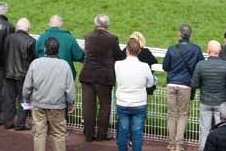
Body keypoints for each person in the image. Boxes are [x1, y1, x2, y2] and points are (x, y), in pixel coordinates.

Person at [23, 37, 76, 151]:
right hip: (57, 106)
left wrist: (26, 99)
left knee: (39, 134)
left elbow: (27, 86)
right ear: (58, 50)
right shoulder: (64, 65)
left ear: (45, 48)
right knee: (58, 135)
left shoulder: (35, 63)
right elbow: (70, 88)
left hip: (38, 105)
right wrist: (71, 103)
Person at [79, 14, 125, 142]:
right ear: (107, 25)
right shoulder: (112, 39)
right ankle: (101, 134)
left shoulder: (88, 37)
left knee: (88, 107)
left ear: (96, 23)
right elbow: (120, 56)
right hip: (104, 77)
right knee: (105, 106)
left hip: (87, 75)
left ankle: (88, 135)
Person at [162, 23, 204, 151]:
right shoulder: (196, 49)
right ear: (190, 35)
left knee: (172, 114)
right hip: (186, 85)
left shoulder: (172, 49)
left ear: (179, 34)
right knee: (183, 114)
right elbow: (200, 65)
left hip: (171, 84)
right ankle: (179, 144)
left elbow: (165, 67)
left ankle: (171, 143)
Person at [191, 40, 226, 151]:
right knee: (221, 132)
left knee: (204, 132)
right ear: (220, 51)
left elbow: (194, 84)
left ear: (208, 50)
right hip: (221, 102)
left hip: (205, 101)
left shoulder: (200, 65)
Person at [114, 38, 154, 151]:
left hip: (123, 102)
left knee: (123, 131)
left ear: (126, 50)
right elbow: (150, 83)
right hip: (139, 103)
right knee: (137, 133)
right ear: (139, 51)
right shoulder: (145, 66)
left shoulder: (118, 64)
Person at [4, 18, 36, 130]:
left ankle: (8, 122)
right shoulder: (31, 41)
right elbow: (33, 60)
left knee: (9, 99)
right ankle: (20, 124)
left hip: (8, 73)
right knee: (24, 99)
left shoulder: (8, 38)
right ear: (28, 29)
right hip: (24, 75)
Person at [35, 14, 85, 80]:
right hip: (64, 76)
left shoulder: (42, 37)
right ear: (62, 24)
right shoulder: (69, 38)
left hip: (45, 75)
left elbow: (36, 54)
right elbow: (79, 55)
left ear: (49, 24)